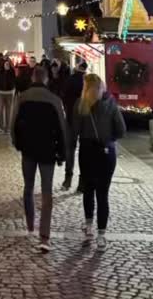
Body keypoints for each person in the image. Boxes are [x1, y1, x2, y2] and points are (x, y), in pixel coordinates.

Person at [11, 65, 67, 253]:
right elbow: (62, 128)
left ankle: (29, 226)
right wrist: (62, 152)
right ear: (46, 79)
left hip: (28, 150)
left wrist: (18, 143)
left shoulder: (22, 98)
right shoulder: (54, 100)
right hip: (48, 151)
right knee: (46, 191)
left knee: (28, 187)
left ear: (33, 78)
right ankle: (45, 235)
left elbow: (13, 124)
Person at [72, 73, 126, 250]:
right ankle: (101, 236)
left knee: (88, 190)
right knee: (103, 194)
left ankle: (88, 228)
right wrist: (108, 138)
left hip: (87, 151)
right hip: (106, 152)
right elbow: (121, 130)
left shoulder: (80, 105)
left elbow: (75, 130)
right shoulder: (110, 104)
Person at [62, 59, 87, 191]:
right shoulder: (88, 81)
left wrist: (67, 109)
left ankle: (68, 178)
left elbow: (64, 96)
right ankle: (82, 181)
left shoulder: (70, 80)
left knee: (70, 149)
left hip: (71, 118)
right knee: (83, 151)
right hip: (84, 120)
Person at [0, 57, 17, 133]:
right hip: (0, 93)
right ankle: (0, 127)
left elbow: (14, 82)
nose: (6, 65)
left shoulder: (12, 72)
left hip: (9, 93)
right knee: (0, 111)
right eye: (5, 64)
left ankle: (7, 128)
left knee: (8, 111)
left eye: (8, 64)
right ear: (3, 64)